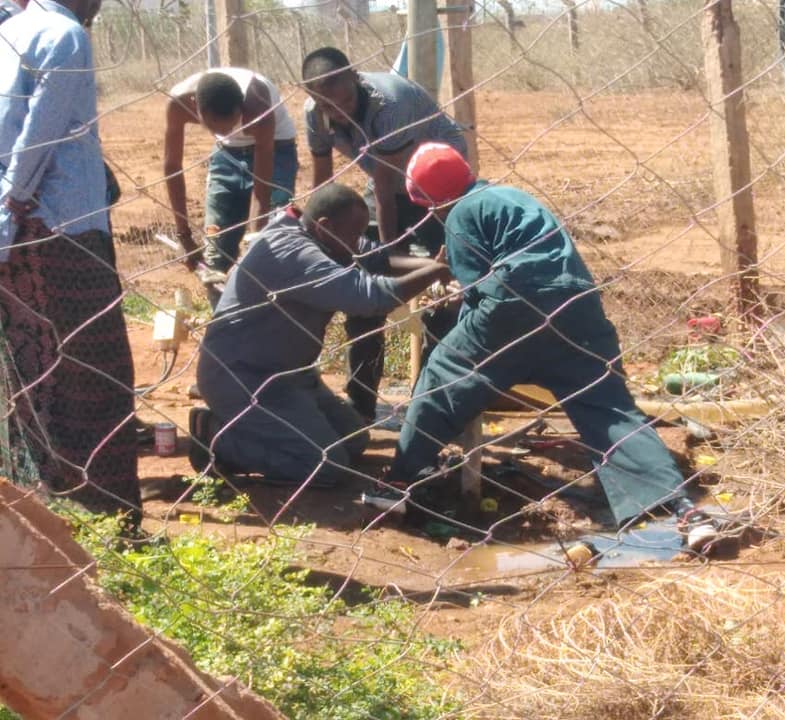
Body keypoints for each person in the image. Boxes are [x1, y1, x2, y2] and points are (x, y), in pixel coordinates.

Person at [380, 143, 720, 553]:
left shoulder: (460, 215)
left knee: (443, 373)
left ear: (433, 201)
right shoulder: (512, 197)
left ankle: (397, 483)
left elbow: (476, 298)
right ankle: (686, 513)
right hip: (577, 309)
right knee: (608, 409)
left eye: (428, 206)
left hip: (513, 303)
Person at [191, 184, 450, 487]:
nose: (357, 245)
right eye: (352, 236)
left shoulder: (320, 236)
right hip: (243, 379)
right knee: (326, 468)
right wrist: (434, 272)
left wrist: (436, 266)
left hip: (290, 376)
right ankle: (216, 439)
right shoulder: (293, 253)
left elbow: (376, 258)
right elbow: (367, 298)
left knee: (354, 443)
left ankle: (249, 433)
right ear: (325, 227)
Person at [0, 0, 142, 526]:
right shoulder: (63, 34)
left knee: (33, 376)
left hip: (21, 235)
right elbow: (43, 130)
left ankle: (39, 516)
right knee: (93, 376)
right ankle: (102, 521)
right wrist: (14, 199)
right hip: (59, 228)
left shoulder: (11, 29)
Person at [301, 46, 468, 423]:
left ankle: (426, 405)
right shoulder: (315, 115)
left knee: (443, 286)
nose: (340, 110)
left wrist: (388, 257)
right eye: (329, 105)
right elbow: (322, 182)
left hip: (436, 180)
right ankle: (360, 405)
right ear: (313, 98)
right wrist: (315, 231)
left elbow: (387, 188)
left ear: (355, 78)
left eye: (345, 98)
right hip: (385, 184)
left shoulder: (388, 104)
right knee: (364, 296)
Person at [163, 67, 298, 305]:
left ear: (242, 108)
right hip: (226, 154)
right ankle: (224, 327)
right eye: (216, 126)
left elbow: (262, 188)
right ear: (196, 107)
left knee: (270, 248)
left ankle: (269, 324)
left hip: (276, 148)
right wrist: (184, 236)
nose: (227, 130)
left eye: (233, 122)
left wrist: (255, 239)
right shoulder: (179, 104)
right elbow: (172, 166)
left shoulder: (258, 108)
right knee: (215, 256)